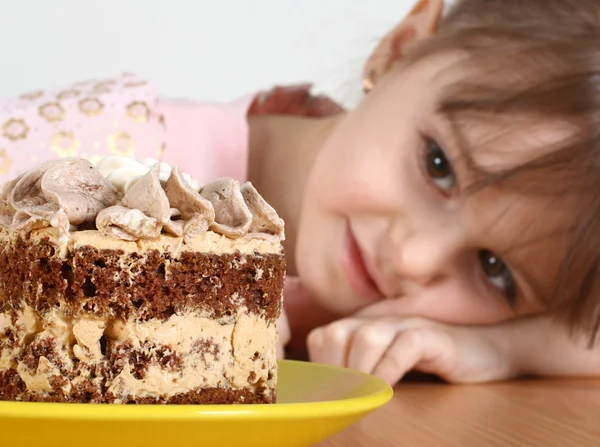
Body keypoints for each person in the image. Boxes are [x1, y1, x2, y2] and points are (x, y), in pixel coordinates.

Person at [3, 0, 600, 386]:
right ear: (401, 47)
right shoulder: (75, 149)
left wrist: (508, 349)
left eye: (495, 269)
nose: (416, 258)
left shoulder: (404, 313)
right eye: (438, 165)